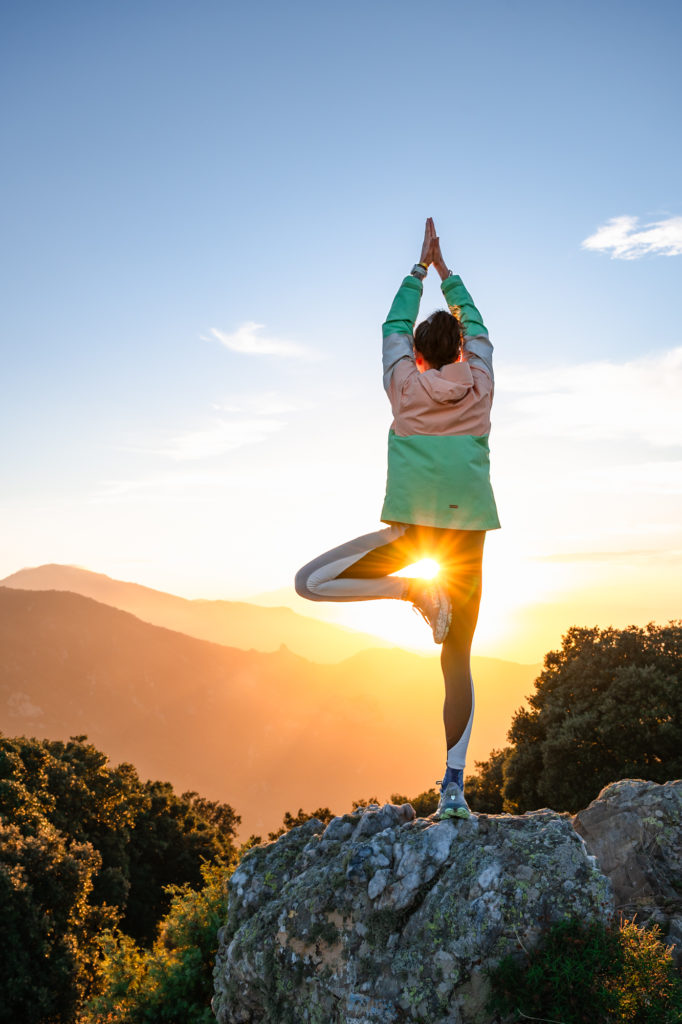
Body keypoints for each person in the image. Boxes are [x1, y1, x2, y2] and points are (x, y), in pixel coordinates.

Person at [295, 218, 500, 819]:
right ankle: (454, 790)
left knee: (310, 583)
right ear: (463, 352)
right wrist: (448, 275)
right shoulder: (481, 386)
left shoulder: (402, 386)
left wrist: (418, 269)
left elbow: (390, 326)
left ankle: (411, 587)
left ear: (415, 355)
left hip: (412, 534)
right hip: (467, 545)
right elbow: (482, 329)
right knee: (457, 659)